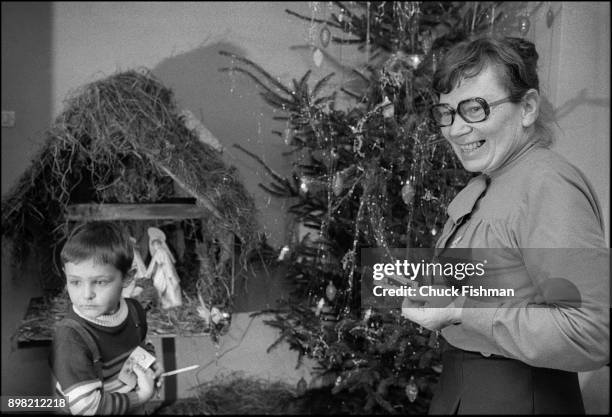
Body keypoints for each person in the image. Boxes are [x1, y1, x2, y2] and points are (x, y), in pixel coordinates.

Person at [400, 36, 609, 414]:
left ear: (527, 108)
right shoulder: (486, 182)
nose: (455, 129)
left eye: (474, 109)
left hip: (519, 397)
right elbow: (501, 281)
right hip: (460, 389)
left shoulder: (548, 185)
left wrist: (461, 309)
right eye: (446, 113)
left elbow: (591, 333)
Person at [50, 222, 163, 414]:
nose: (86, 294)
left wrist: (149, 365)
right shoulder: (71, 337)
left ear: (127, 278)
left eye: (100, 282)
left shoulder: (135, 311)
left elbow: (139, 348)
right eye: (75, 282)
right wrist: (141, 397)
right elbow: (87, 408)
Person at [145, 227, 182, 309]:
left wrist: (169, 274)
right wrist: (148, 273)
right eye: (153, 245)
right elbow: (153, 264)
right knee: (158, 284)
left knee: (169, 286)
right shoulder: (158, 253)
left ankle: (172, 302)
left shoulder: (162, 252)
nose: (155, 246)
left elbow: (168, 263)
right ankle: (165, 302)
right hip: (160, 271)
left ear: (160, 244)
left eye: (156, 244)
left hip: (166, 272)